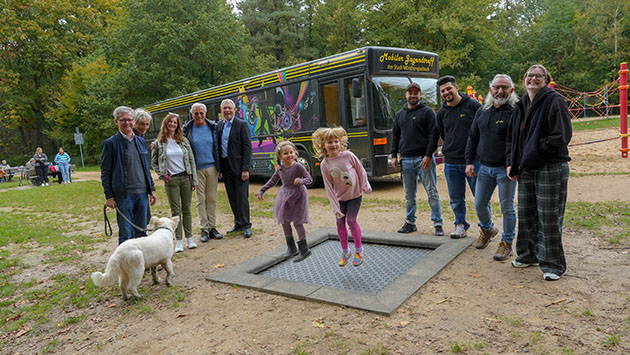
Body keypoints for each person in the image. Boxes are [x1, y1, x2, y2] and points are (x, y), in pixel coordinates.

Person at [507, 64, 572, 281]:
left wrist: (536, 150)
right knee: (526, 213)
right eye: (529, 75)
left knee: (548, 215)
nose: (533, 79)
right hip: (526, 167)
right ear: (524, 79)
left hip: (550, 165)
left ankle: (553, 264)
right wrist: (513, 163)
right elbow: (514, 139)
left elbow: (561, 136)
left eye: (538, 76)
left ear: (546, 80)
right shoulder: (520, 105)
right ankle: (527, 255)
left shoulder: (554, 101)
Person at [465, 74, 518, 261]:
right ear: (490, 89)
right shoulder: (482, 111)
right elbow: (472, 137)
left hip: (506, 169)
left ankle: (507, 242)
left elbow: (517, 142)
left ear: (511, 90)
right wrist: (469, 161)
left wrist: (513, 164)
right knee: (479, 204)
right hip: (484, 168)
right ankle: (488, 230)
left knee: (507, 207)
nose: (500, 91)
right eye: (497, 87)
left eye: (504, 87)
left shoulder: (515, 112)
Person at [312, 127, 372, 267]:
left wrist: (365, 185)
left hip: (355, 194)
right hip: (340, 197)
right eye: (329, 142)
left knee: (351, 220)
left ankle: (359, 250)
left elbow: (360, 170)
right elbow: (328, 187)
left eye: (336, 141)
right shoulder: (325, 164)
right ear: (323, 145)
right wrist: (335, 207)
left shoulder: (348, 156)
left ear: (340, 143)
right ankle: (345, 251)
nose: (333, 145)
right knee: (339, 223)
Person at [391, 82, 444, 236]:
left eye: (416, 93)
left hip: (424, 159)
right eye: (410, 93)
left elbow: (433, 136)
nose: (413, 95)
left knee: (432, 192)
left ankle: (438, 223)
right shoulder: (400, 114)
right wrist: (394, 155)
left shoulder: (427, 112)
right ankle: (410, 222)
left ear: (420, 95)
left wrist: (429, 155)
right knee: (409, 195)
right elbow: (395, 135)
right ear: (406, 95)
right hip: (406, 160)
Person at [434, 75, 483, 238]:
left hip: (474, 161)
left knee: (480, 197)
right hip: (452, 162)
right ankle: (460, 225)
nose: (446, 92)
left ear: (456, 87)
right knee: (456, 198)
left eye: (449, 88)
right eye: (443, 91)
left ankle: (485, 227)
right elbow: (443, 133)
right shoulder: (441, 113)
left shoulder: (473, 106)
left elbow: (483, 130)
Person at [101, 106, 157, 245]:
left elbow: (146, 168)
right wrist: (109, 196)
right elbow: (105, 172)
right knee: (126, 233)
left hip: (142, 194)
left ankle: (142, 263)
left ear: (134, 121)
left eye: (130, 120)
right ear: (116, 122)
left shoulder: (141, 143)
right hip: (124, 195)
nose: (127, 123)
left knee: (142, 232)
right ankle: (125, 265)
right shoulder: (110, 144)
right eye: (123, 120)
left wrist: (152, 189)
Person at [258, 141, 313, 262]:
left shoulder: (298, 166)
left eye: (291, 152)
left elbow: (309, 179)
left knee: (298, 222)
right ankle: (291, 247)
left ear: (295, 153)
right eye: (286, 153)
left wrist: (301, 180)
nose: (289, 155)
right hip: (285, 195)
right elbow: (273, 181)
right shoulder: (280, 169)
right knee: (285, 220)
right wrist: (262, 190)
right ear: (279, 156)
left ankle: (304, 249)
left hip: (298, 195)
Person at [151, 112, 198, 253]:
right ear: (166, 123)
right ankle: (178, 240)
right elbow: (153, 162)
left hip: (185, 178)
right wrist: (162, 174)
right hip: (171, 180)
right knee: (175, 211)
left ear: (178, 125)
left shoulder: (183, 141)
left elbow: (191, 160)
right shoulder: (159, 143)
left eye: (175, 122)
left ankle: (190, 238)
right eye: (170, 122)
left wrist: (194, 179)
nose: (173, 124)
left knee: (187, 209)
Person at [183, 103, 223, 242]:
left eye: (201, 113)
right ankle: (203, 229)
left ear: (205, 113)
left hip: (212, 167)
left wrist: (220, 167)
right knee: (200, 200)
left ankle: (212, 227)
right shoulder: (187, 129)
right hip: (196, 169)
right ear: (191, 114)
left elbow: (219, 147)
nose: (199, 116)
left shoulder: (213, 127)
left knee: (211, 198)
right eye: (196, 113)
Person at [217, 99, 253, 238]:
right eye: (224, 108)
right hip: (226, 167)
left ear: (235, 110)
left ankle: (246, 225)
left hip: (239, 167)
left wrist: (246, 169)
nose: (227, 110)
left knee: (242, 196)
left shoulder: (241, 124)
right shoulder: (220, 126)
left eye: (229, 108)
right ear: (221, 111)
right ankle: (237, 223)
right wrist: (219, 168)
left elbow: (247, 148)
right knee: (232, 196)